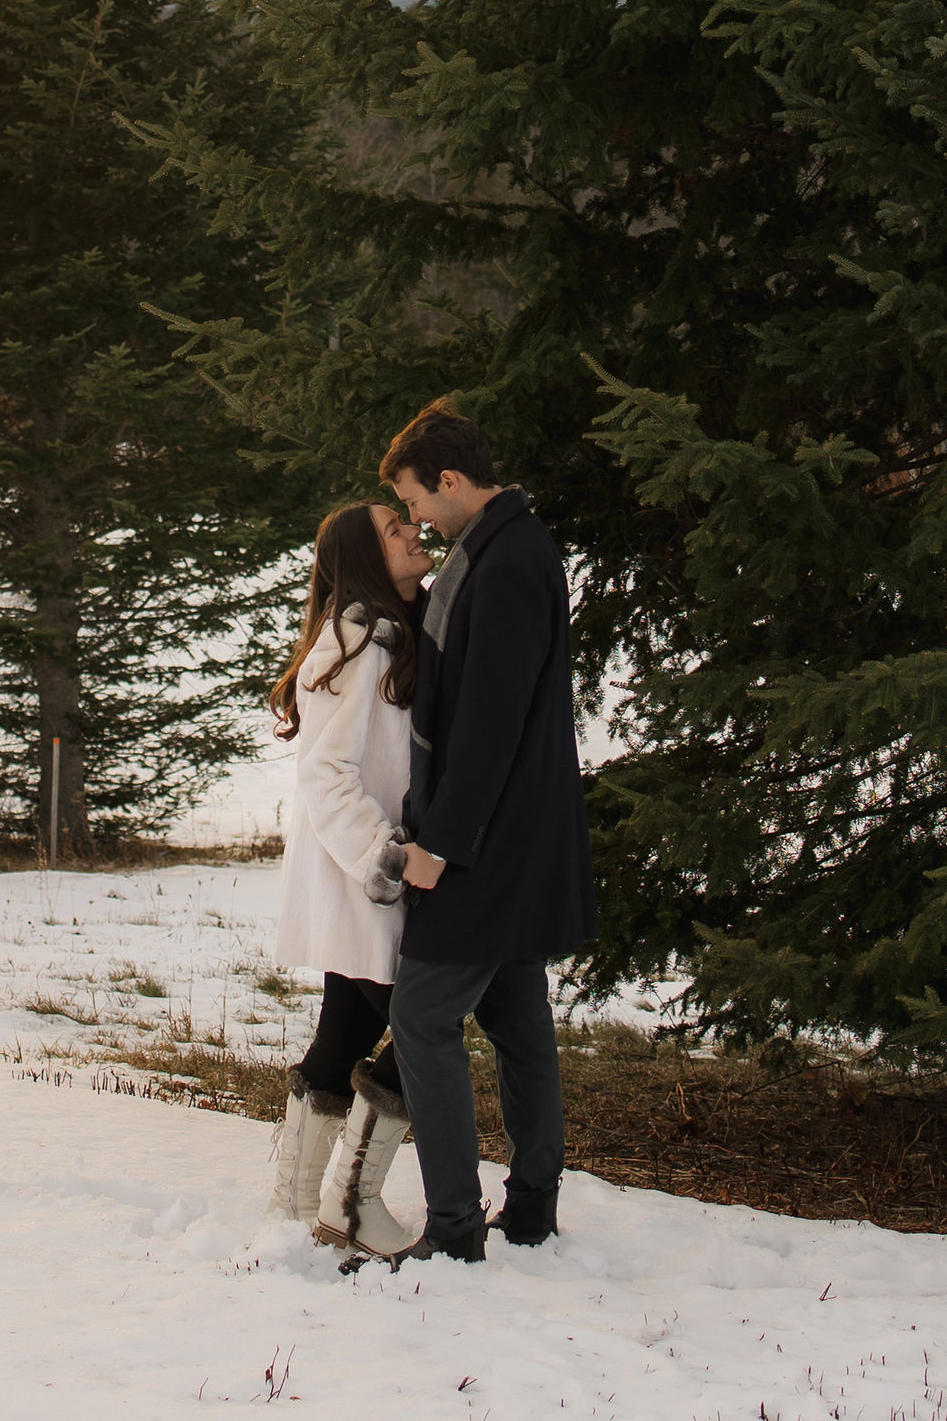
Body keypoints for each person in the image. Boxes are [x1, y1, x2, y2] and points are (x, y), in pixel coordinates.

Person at [382, 400, 595, 1262]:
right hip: (514, 835)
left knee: (423, 1015)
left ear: (454, 480)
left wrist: (442, 844)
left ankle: (455, 1227)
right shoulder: (505, 548)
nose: (418, 520)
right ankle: (535, 1206)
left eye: (419, 501)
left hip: (489, 842)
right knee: (515, 1015)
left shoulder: (505, 563)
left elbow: (490, 725)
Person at [262, 500, 432, 1255]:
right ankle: (349, 1203)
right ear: (365, 554)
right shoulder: (356, 637)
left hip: (369, 875)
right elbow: (326, 773)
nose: (412, 531)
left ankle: (297, 1200)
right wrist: (387, 858)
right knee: (425, 1020)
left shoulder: (387, 631)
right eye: (395, 529)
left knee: (350, 1023)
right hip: (362, 875)